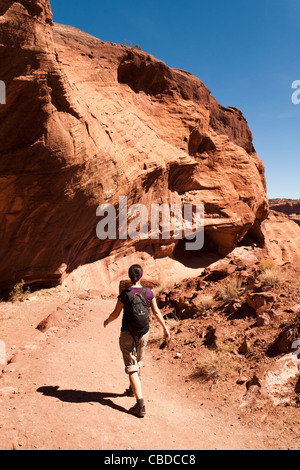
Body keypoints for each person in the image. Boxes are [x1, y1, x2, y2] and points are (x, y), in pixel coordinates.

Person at [103, 264, 171, 418]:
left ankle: (140, 405)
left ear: (130, 276)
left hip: (127, 333)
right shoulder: (149, 293)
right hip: (144, 333)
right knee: (138, 362)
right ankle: (131, 389)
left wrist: (107, 321)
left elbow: (115, 314)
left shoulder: (125, 294)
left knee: (131, 367)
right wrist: (165, 328)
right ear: (141, 276)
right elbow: (156, 312)